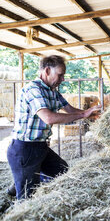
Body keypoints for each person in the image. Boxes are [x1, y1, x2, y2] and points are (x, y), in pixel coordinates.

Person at [7, 55, 101, 200]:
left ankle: (21, 181)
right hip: (24, 149)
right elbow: (49, 118)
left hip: (40, 146)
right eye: (60, 74)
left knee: (62, 171)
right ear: (47, 71)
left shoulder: (52, 91)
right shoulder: (33, 90)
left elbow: (69, 109)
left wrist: (89, 113)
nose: (63, 79)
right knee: (26, 198)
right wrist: (82, 115)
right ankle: (22, 182)